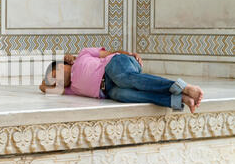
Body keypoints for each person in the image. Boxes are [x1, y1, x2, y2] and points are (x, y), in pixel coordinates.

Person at [39, 47, 204, 113]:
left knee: (125, 79)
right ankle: (178, 98)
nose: (58, 80)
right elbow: (42, 87)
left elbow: (110, 52)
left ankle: (183, 86)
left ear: (64, 63)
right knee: (124, 94)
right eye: (55, 81)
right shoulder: (70, 89)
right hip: (109, 90)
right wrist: (50, 83)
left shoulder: (82, 55)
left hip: (114, 66)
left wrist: (130, 55)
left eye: (57, 72)